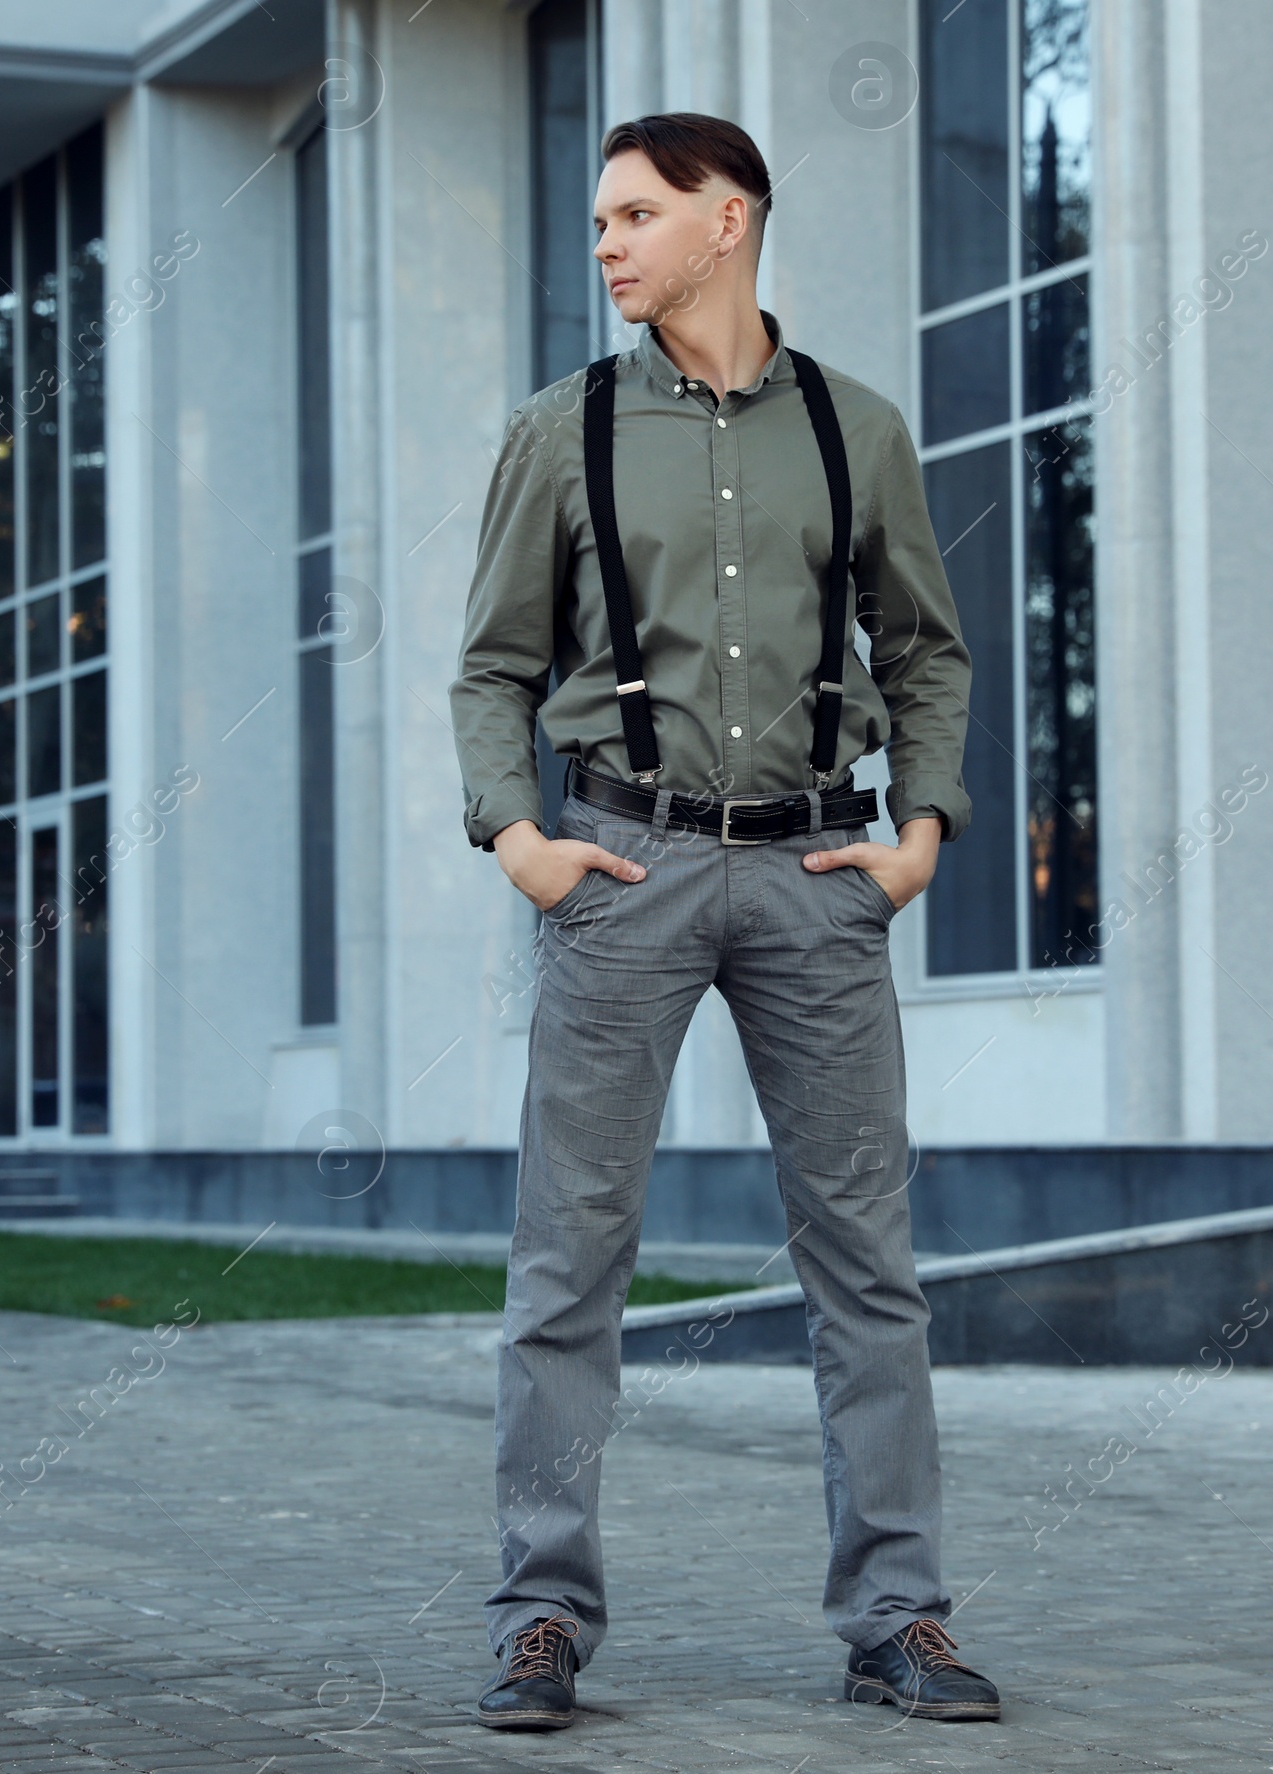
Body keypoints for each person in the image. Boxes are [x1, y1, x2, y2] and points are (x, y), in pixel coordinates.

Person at [449, 111, 1000, 1731]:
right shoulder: (564, 430)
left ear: (728, 223)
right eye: (602, 216)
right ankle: (540, 1611)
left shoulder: (860, 427)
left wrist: (921, 832)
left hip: (822, 876)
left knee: (867, 1266)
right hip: (622, 868)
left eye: (635, 215)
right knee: (570, 1260)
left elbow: (928, 652)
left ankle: (899, 1615)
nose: (607, 242)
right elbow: (493, 664)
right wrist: (519, 838)